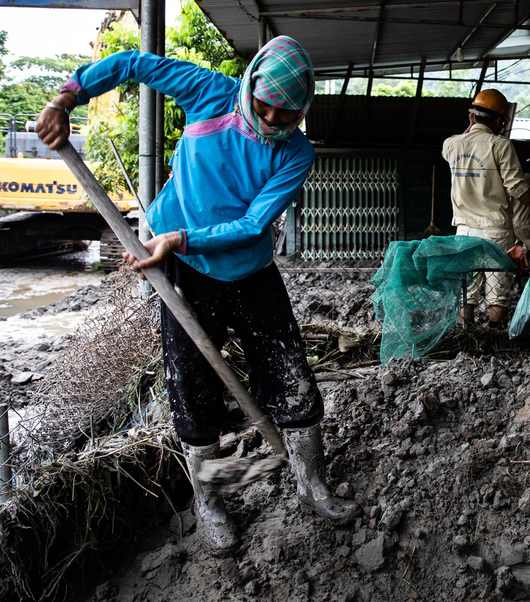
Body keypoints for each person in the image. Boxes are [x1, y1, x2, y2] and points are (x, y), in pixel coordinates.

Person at [34, 36, 357, 556]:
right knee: (192, 388)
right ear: (249, 84)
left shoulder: (297, 152)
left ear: (304, 107)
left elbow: (254, 225)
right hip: (181, 271)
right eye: (264, 104)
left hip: (247, 270)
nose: (272, 118)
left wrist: (180, 238)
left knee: (291, 378)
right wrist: (67, 98)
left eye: (287, 112)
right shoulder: (209, 93)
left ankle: (309, 480)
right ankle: (211, 501)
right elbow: (132, 63)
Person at [443, 89, 530, 327]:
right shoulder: (500, 145)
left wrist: (472, 125)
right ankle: (495, 341)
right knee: (497, 291)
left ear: (472, 116)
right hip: (494, 230)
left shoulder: (451, 145)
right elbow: (518, 188)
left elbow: (463, 139)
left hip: (463, 231)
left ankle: (465, 338)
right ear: (500, 120)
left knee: (467, 291)